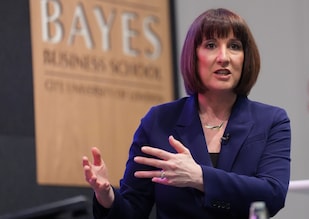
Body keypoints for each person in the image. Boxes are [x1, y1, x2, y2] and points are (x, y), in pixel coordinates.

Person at [82, 8, 291, 219]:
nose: (224, 57)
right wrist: (106, 194)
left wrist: (199, 177)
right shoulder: (159, 121)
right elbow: (133, 210)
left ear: (245, 58)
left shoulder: (271, 121)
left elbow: (272, 195)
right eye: (211, 45)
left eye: (234, 46)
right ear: (193, 56)